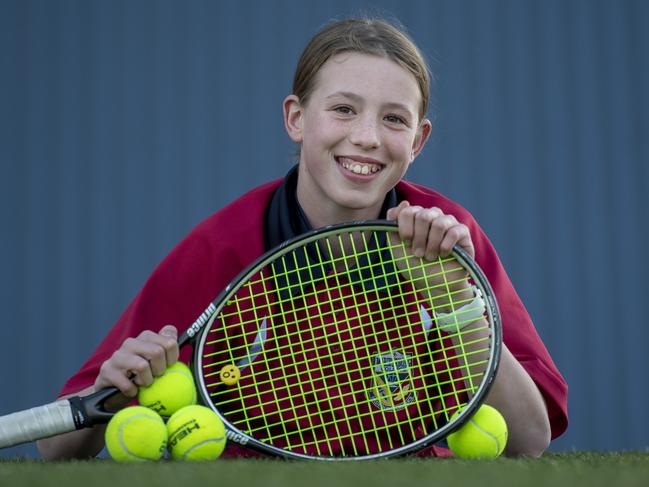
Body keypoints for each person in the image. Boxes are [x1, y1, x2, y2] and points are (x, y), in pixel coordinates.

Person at [37, 17, 567, 460]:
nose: (366, 136)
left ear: (419, 140)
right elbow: (56, 450)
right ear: (296, 118)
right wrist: (111, 381)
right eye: (343, 109)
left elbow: (529, 439)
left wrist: (456, 301)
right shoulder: (224, 244)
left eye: (393, 119)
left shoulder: (449, 234)